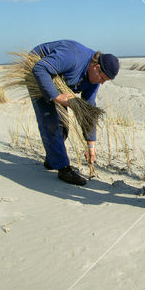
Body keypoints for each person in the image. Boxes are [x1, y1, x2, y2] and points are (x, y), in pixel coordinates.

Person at [30, 40, 120, 186]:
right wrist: (57, 97)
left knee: (64, 127)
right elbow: (40, 68)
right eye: (103, 78)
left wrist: (91, 145)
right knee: (52, 122)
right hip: (40, 72)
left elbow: (88, 111)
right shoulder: (73, 57)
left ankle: (52, 159)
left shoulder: (93, 80)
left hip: (59, 80)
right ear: (96, 68)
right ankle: (63, 168)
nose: (102, 83)